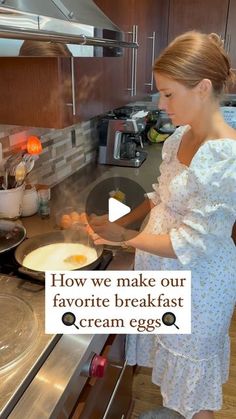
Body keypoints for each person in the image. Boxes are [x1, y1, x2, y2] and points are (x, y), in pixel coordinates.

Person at [89, 31, 236, 419]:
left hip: (200, 288)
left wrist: (126, 237)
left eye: (169, 94)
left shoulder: (225, 157)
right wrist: (118, 219)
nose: (160, 102)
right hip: (166, 274)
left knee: (193, 386)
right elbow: (161, 195)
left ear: (202, 88)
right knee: (175, 380)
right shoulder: (181, 137)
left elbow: (190, 241)